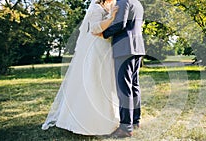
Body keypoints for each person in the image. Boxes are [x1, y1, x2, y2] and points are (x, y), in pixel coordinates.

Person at [41, 0, 120, 135]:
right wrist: (111, 18)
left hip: (105, 48)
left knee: (105, 82)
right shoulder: (96, 7)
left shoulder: (109, 7)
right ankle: (88, 120)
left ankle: (109, 117)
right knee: (93, 81)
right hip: (96, 49)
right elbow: (95, 29)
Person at [96, 0, 145, 138]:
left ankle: (125, 127)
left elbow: (120, 24)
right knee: (134, 86)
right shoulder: (137, 3)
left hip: (124, 48)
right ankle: (135, 121)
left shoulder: (124, 1)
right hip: (137, 48)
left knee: (124, 89)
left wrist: (103, 33)